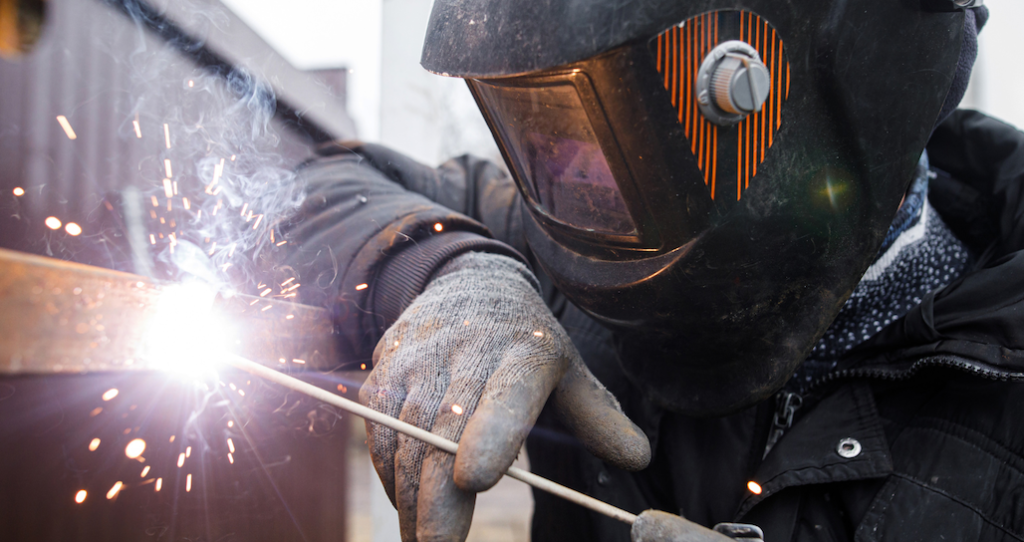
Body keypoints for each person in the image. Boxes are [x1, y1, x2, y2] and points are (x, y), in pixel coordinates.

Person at [276, 0, 1024, 540]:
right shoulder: (560, 241)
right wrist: (445, 269)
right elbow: (317, 190)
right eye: (550, 139)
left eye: (630, 128)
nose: (584, 177)